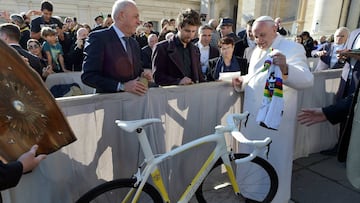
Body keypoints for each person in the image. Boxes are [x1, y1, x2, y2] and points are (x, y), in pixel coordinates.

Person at [232, 16, 313, 203]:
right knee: (251, 157)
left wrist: (286, 67)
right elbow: (255, 77)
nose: (258, 40)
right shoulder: (255, 51)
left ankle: (274, 198)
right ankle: (249, 193)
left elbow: (307, 80)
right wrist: (242, 82)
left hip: (276, 122)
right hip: (252, 119)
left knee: (271, 159)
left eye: (262, 35)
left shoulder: (293, 48)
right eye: (254, 36)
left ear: (274, 30)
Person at [81, 0, 152, 95]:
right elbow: (88, 76)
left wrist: (143, 74)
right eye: (135, 17)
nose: (139, 22)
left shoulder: (134, 43)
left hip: (134, 104)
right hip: (110, 104)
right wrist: (121, 86)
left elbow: (136, 71)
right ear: (121, 16)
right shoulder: (98, 38)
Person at [318, 27, 360, 161]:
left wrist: (354, 55)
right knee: (344, 115)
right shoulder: (354, 33)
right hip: (347, 80)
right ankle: (340, 147)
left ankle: (353, 152)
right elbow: (347, 57)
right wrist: (342, 57)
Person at [152, 8, 204, 86]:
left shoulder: (195, 49)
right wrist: (178, 81)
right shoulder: (161, 48)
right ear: (179, 27)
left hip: (192, 95)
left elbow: (199, 77)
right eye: (187, 31)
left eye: (193, 31)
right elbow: (158, 77)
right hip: (171, 95)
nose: (190, 35)